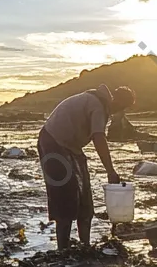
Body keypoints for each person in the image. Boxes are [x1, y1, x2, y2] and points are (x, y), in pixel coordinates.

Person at [37, 84, 136, 249]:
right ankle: (63, 249)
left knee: (85, 198)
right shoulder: (97, 106)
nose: (119, 110)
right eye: (121, 106)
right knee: (64, 196)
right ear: (116, 100)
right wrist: (110, 171)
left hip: (71, 146)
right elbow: (99, 139)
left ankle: (85, 245)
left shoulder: (97, 103)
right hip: (52, 143)